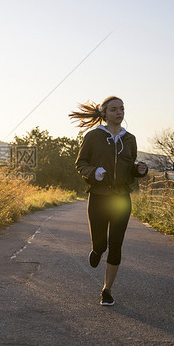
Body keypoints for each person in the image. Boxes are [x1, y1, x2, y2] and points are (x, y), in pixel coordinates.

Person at [69, 96, 148, 306]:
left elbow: (129, 168)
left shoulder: (129, 138)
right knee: (101, 244)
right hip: (98, 198)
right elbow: (80, 164)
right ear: (104, 114)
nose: (119, 112)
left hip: (121, 199)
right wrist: (94, 172)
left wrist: (139, 170)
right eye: (114, 109)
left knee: (116, 245)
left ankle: (107, 290)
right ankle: (96, 250)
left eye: (122, 109)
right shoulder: (93, 136)